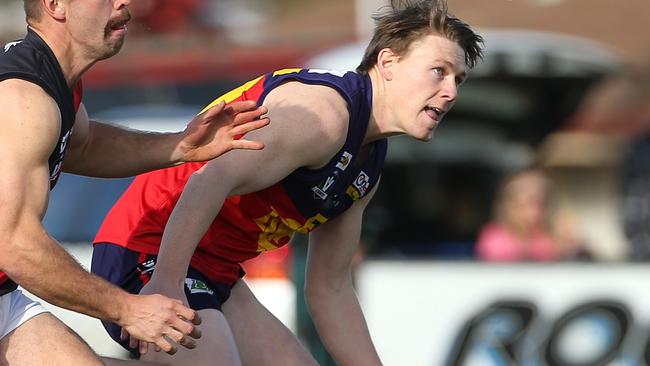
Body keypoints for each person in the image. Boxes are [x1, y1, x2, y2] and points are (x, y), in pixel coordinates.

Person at [92, 0, 483, 364]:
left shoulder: (367, 168)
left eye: (459, 79)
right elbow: (209, 181)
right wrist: (166, 282)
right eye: (439, 71)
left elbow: (330, 290)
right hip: (150, 249)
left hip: (213, 271)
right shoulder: (324, 116)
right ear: (388, 63)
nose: (450, 91)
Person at [0, 0, 269, 365]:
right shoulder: (23, 98)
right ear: (55, 5)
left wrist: (179, 145)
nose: (123, 2)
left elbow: (85, 146)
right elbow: (14, 245)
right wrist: (127, 309)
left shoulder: (50, 81)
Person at [475, 169, 588, 262]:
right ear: (511, 206)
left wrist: (570, 244)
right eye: (529, 204)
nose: (536, 211)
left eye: (541, 204)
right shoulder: (494, 235)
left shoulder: (549, 235)